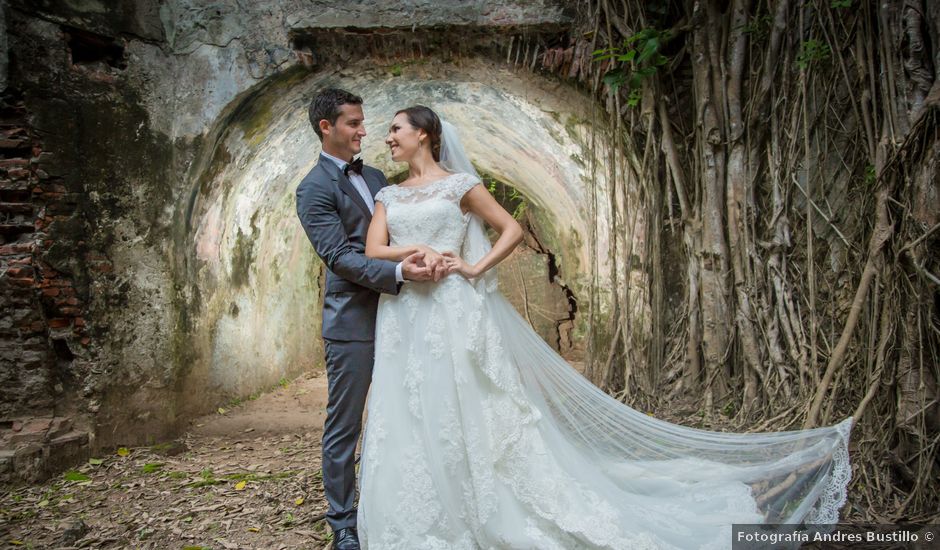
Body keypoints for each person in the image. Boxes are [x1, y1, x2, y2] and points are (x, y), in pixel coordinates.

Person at [357, 105, 854, 549]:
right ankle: (423, 510)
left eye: (396, 129)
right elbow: (373, 251)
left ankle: (480, 499)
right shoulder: (388, 193)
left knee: (466, 403)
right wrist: (417, 251)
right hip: (406, 312)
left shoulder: (459, 186)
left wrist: (472, 267)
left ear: (424, 134)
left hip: (452, 307)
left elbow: (508, 230)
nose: (388, 138)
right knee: (408, 406)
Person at [295, 89, 449, 550]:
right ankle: (343, 520)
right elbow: (340, 257)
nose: (365, 131)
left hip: (403, 316)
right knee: (345, 423)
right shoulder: (313, 188)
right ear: (327, 127)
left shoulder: (378, 175)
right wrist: (401, 271)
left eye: (365, 123)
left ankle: (402, 499)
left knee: (405, 411)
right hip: (353, 321)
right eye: (353, 123)